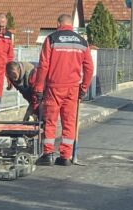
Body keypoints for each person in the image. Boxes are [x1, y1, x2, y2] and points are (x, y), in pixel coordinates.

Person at [33, 14, 94, 166]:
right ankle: (65, 156)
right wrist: (83, 88)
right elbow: (89, 68)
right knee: (69, 122)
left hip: (54, 87)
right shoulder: (82, 42)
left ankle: (48, 154)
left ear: (58, 23)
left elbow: (43, 65)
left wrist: (39, 87)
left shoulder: (51, 39)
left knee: (50, 121)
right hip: (73, 88)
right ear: (71, 25)